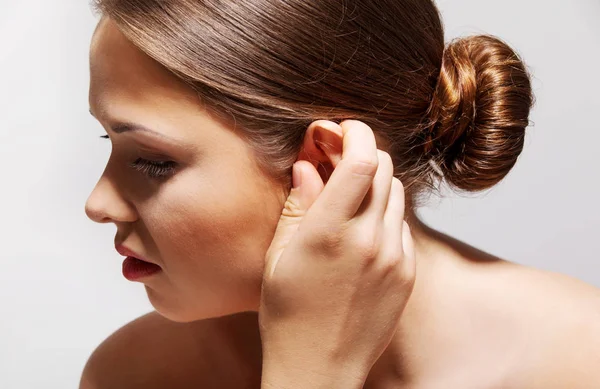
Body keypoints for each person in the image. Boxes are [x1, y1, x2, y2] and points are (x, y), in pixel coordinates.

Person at [80, 1, 600, 388]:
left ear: (328, 164)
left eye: (152, 160)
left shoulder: (579, 361)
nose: (98, 205)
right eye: (109, 139)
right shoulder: (134, 374)